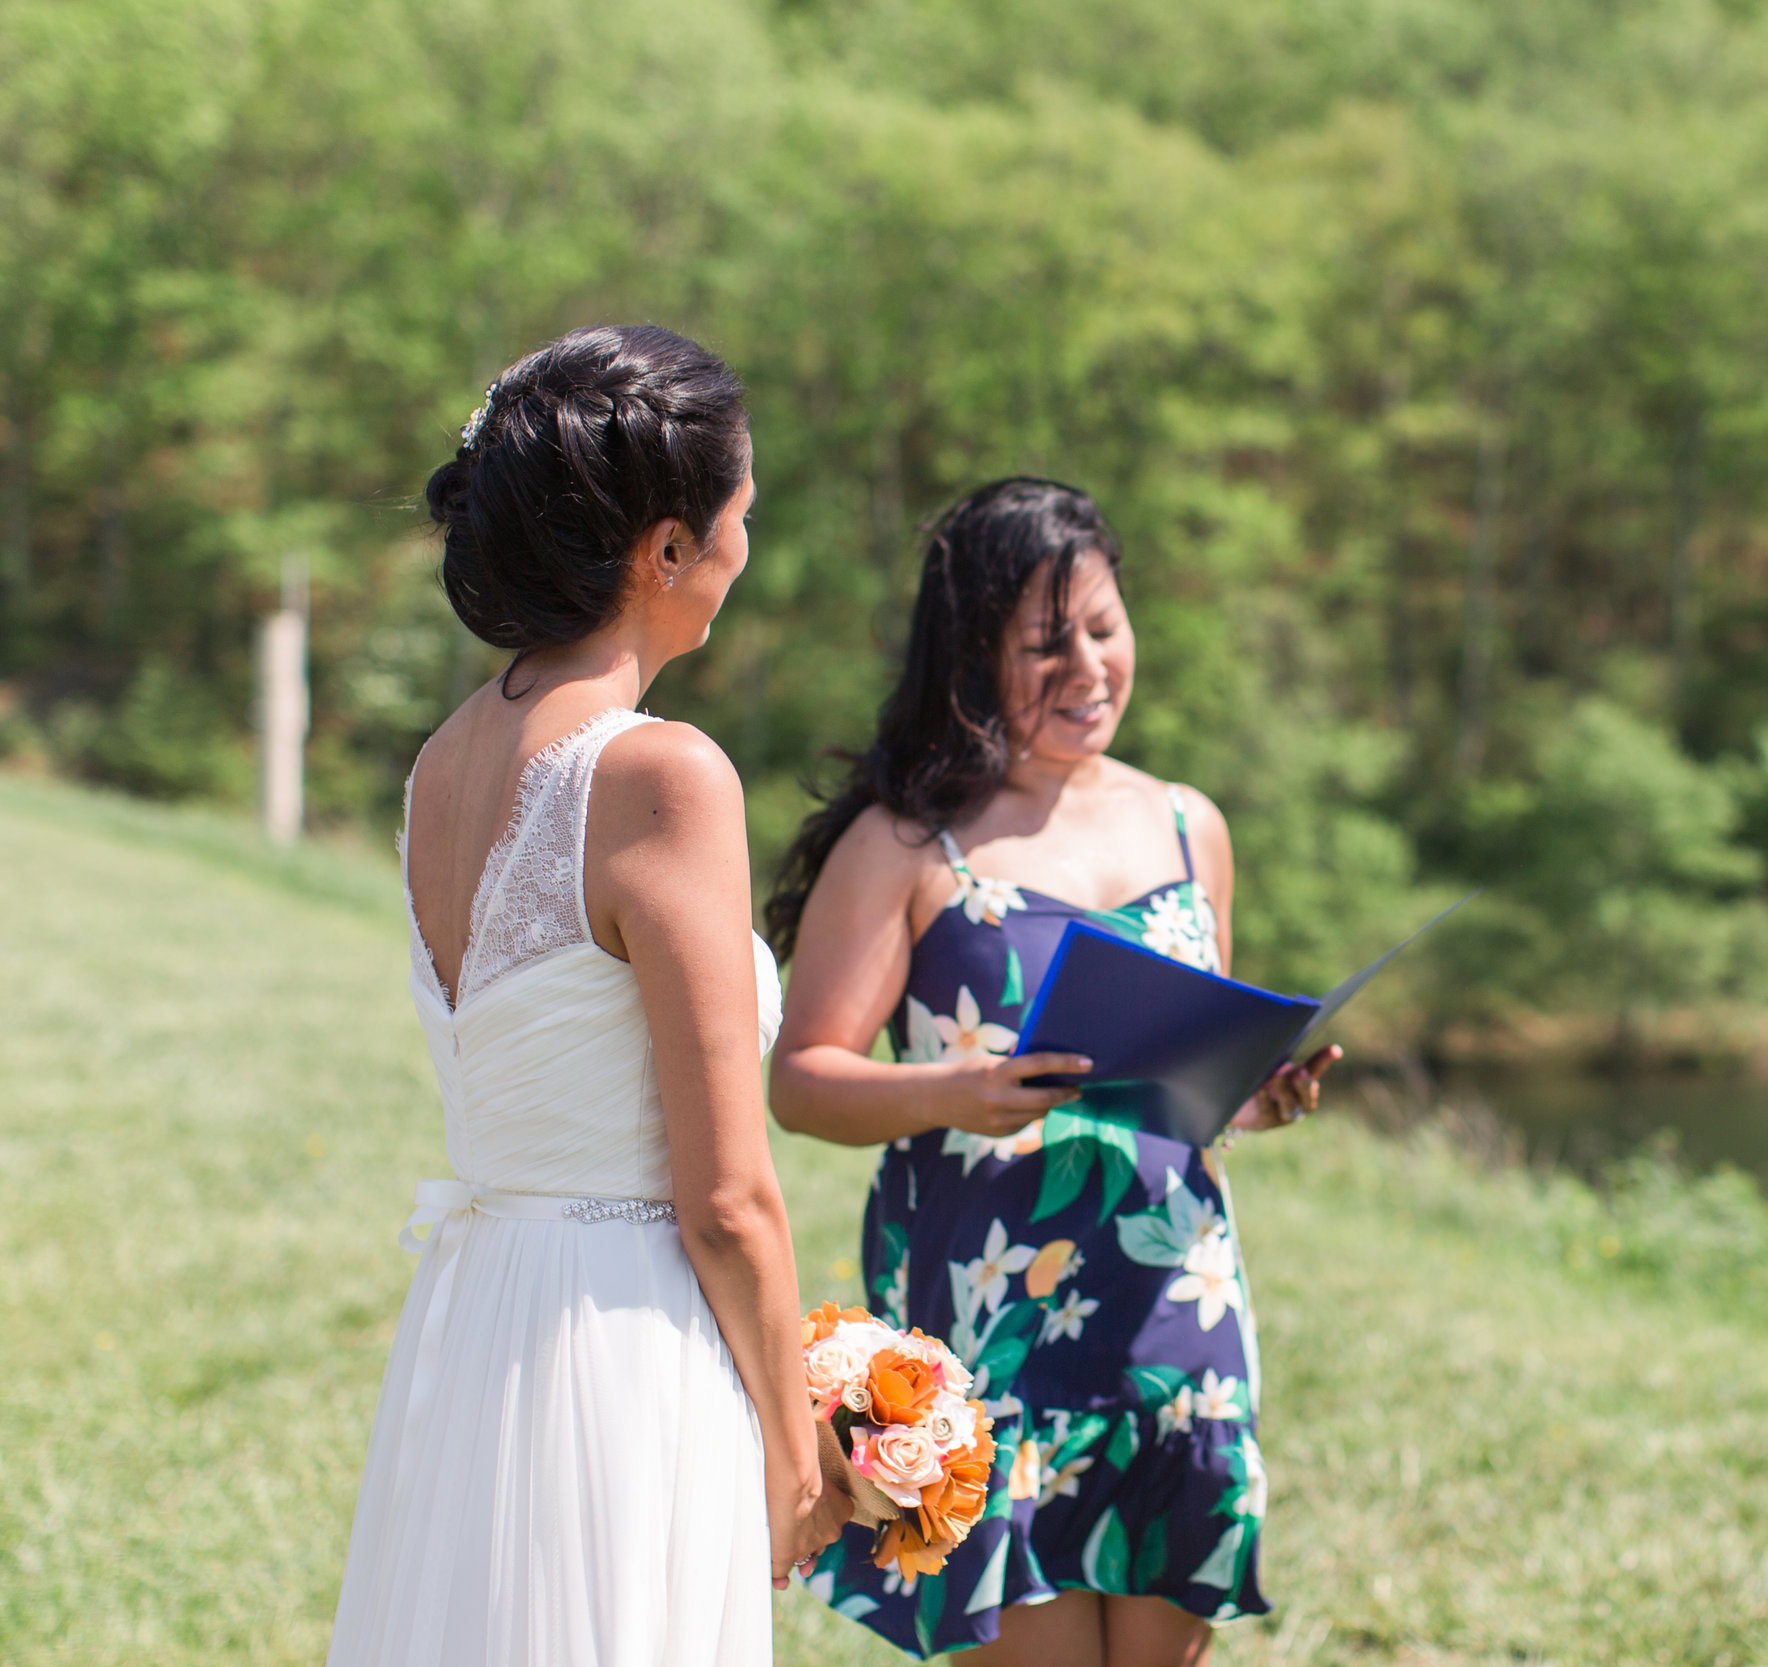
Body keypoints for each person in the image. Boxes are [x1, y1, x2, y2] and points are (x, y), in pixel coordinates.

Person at [327, 325, 847, 1665]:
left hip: (483, 1306)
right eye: (739, 515)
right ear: (666, 550)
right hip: (622, 1336)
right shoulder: (661, 775)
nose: (744, 547)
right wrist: (799, 1445)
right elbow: (727, 1197)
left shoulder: (442, 760)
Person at [763, 477, 1333, 1666]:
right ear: (970, 656)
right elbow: (803, 1079)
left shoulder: (1190, 825)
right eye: (1041, 642)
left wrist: (1251, 1095)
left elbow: (1183, 1077)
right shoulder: (907, 841)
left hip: (1173, 1313)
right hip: (988, 1338)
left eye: (1104, 627)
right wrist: (950, 1092)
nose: (1087, 666)